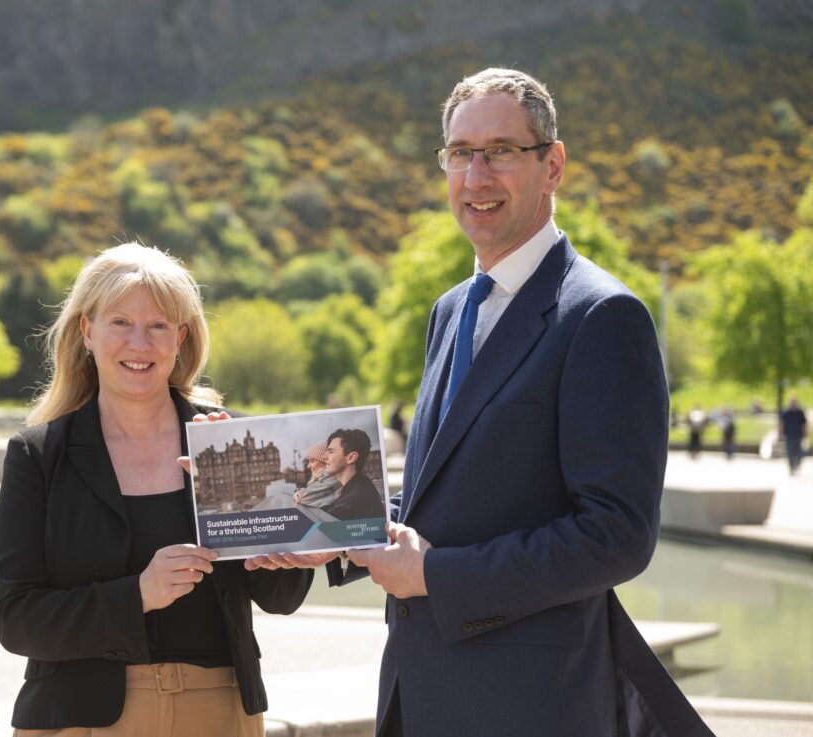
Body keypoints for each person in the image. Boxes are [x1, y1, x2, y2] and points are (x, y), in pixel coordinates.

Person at [249, 68, 712, 736]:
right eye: (460, 153)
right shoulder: (450, 311)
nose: (476, 176)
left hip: (530, 706)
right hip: (419, 694)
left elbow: (617, 536)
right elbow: (445, 499)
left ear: (552, 166)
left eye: (500, 151)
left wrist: (435, 575)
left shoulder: (603, 317)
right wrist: (335, 537)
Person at [0, 243, 312, 736]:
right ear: (87, 332)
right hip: (77, 720)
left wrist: (275, 530)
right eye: (120, 322)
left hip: (219, 712)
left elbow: (280, 597)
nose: (139, 343)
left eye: (159, 325)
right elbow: (15, 619)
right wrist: (137, 595)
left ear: (180, 339)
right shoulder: (38, 456)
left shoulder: (231, 441)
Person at [320, 428, 386, 521]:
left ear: (351, 458)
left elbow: (324, 522)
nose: (324, 457)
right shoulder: (361, 483)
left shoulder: (351, 502)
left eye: (331, 451)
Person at [293, 440, 342, 509]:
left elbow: (303, 498)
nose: (308, 466)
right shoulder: (324, 478)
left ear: (325, 462)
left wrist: (299, 493)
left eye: (312, 461)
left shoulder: (330, 478)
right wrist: (298, 491)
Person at [780, 394, 808, 475]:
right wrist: (781, 434)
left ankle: (797, 464)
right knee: (789, 452)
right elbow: (783, 424)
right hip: (789, 435)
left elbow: (804, 424)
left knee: (798, 452)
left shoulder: (800, 413)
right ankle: (791, 467)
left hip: (798, 435)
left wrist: (805, 433)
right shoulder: (786, 413)